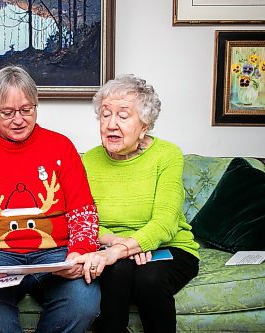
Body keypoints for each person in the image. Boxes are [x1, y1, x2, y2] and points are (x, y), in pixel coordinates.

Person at [0, 65, 100, 333]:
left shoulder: (61, 146)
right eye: (7, 113)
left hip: (56, 255)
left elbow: (83, 211)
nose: (18, 120)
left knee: (84, 302)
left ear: (36, 105)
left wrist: (79, 252)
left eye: (27, 110)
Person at [74, 74, 200, 333]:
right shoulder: (88, 161)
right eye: (105, 114)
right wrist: (117, 245)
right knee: (117, 272)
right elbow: (81, 221)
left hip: (169, 247)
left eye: (122, 116)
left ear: (145, 125)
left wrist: (126, 248)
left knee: (149, 279)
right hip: (111, 249)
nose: (111, 124)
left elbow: (165, 222)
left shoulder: (167, 155)